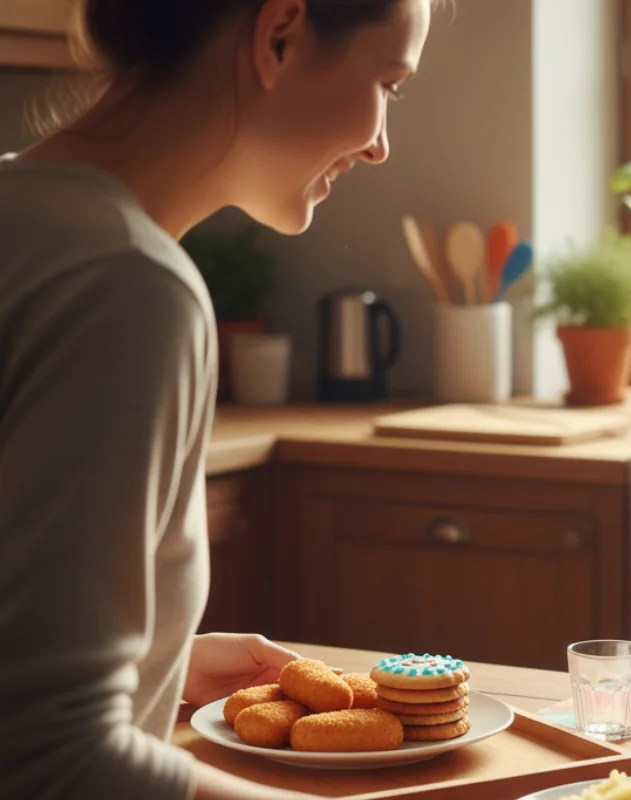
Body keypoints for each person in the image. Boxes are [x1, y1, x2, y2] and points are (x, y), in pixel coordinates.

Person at [0, 1, 437, 797]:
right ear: (279, 37)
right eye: (388, 83)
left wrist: (162, 657)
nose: (379, 145)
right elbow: (48, 757)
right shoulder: (124, 284)